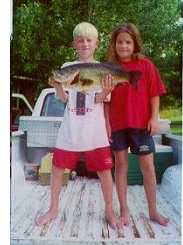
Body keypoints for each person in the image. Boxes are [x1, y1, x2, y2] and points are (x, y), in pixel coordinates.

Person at [35, 22, 120, 229]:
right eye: (80, 40)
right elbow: (64, 98)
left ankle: (109, 212)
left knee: (105, 171)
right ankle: (53, 209)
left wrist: (107, 90)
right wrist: (57, 86)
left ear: (96, 44)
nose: (84, 43)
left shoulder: (102, 69)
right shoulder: (67, 67)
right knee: (56, 169)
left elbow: (99, 99)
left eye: (89, 40)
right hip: (70, 129)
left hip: (95, 131)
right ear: (74, 44)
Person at [105, 23, 170, 227]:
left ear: (135, 44)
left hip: (142, 125)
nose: (123, 46)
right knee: (121, 167)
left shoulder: (146, 66)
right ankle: (124, 210)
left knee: (148, 168)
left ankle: (153, 211)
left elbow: (155, 93)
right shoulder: (108, 68)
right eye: (120, 42)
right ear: (114, 44)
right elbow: (105, 101)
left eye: (128, 42)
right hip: (118, 125)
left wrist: (154, 117)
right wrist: (107, 125)